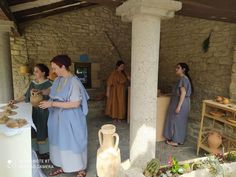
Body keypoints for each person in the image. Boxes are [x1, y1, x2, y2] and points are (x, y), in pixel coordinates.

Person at [39, 55, 89, 177]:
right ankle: (62, 165)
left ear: (63, 66)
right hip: (57, 118)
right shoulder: (58, 80)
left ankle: (80, 169)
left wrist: (51, 103)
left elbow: (76, 103)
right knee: (59, 142)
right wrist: (41, 92)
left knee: (73, 142)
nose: (53, 71)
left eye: (55, 68)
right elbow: (52, 91)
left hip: (70, 119)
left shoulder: (74, 82)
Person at [10, 64, 52, 158]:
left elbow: (53, 97)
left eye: (37, 71)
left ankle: (45, 152)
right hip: (33, 111)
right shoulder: (33, 83)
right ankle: (35, 151)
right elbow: (26, 96)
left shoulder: (49, 84)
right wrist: (16, 100)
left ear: (43, 72)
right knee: (34, 130)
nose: (34, 73)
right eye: (34, 71)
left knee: (43, 130)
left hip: (44, 112)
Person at [163, 63, 193, 147]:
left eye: (178, 67)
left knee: (176, 121)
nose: (176, 69)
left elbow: (183, 93)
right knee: (179, 122)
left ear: (183, 69)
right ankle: (178, 139)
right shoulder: (185, 79)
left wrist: (179, 106)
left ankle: (175, 141)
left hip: (181, 103)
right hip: (183, 102)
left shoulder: (183, 79)